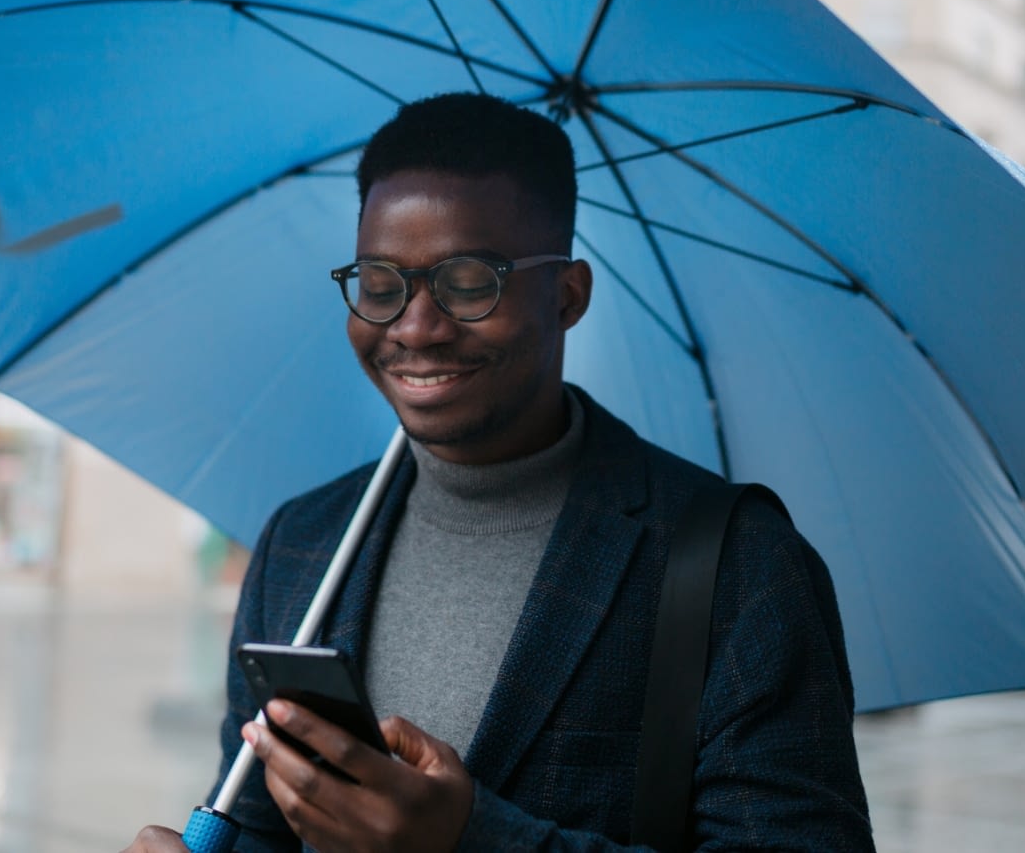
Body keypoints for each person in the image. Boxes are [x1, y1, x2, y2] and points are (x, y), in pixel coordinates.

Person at [126, 93, 871, 851]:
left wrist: (469, 840)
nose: (416, 328)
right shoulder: (301, 543)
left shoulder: (735, 562)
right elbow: (263, 825)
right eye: (381, 285)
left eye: (470, 282)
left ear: (568, 296)